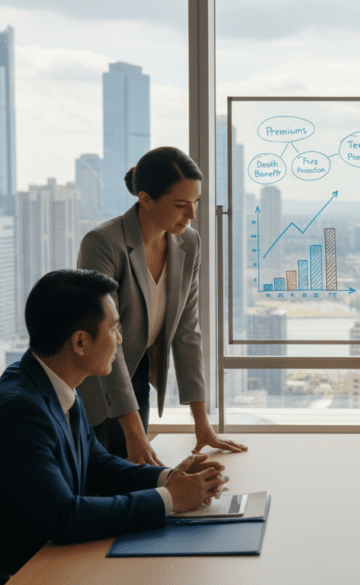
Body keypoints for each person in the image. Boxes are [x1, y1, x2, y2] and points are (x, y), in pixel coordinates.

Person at [0, 269, 229, 574]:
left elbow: (98, 467)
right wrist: (170, 499)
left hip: (40, 563)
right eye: (113, 328)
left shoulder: (57, 387)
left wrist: (168, 477)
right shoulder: (16, 411)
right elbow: (64, 518)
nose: (120, 340)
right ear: (80, 342)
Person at [77, 146, 246, 465]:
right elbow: (102, 338)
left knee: (131, 479)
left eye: (196, 202)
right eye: (181, 205)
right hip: (95, 378)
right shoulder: (102, 244)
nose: (192, 214)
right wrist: (135, 435)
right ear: (145, 200)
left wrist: (202, 424)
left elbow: (186, 332)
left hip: (136, 372)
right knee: (100, 480)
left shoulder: (188, 242)